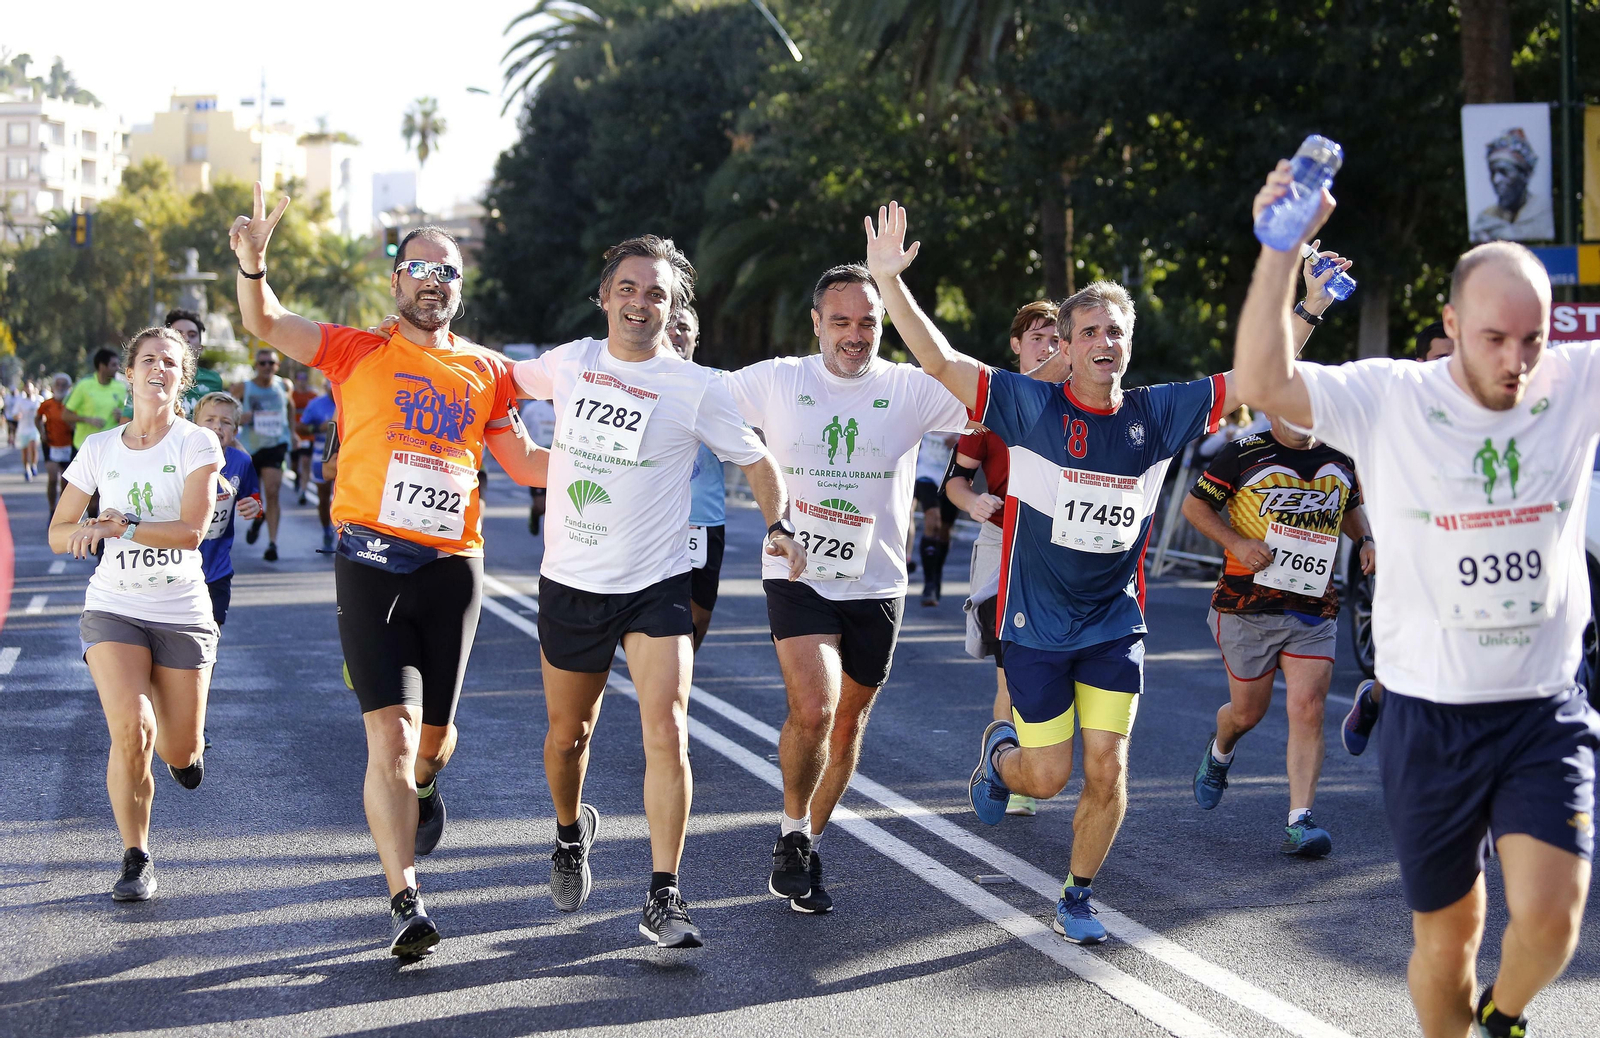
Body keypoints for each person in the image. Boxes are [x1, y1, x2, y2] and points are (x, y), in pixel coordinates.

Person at [1234, 161, 1599, 1038]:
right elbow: (1263, 381)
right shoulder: (1390, 395)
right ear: (1452, 325)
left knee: (1553, 919)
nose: (1515, 361)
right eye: (1494, 339)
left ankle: (1504, 1016)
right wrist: (1280, 249)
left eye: (1533, 339)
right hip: (1432, 716)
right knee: (1451, 937)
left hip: (1542, 707)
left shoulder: (1574, 382)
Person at [864, 201, 1252, 945]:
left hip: (1113, 624)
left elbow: (1257, 377)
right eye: (1089, 332)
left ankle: (1077, 895)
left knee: (1107, 766)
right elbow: (940, 361)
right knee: (1046, 777)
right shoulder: (1029, 405)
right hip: (1036, 624)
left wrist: (1308, 307)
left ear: (1128, 344)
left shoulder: (1157, 415)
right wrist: (889, 282)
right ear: (1066, 348)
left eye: (1116, 332)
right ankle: (998, 758)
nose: (1105, 342)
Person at [230, 184, 548, 958]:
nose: (434, 281)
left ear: (459, 288)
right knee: (393, 737)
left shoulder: (489, 371)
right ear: (396, 280)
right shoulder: (355, 349)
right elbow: (267, 322)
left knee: (431, 743)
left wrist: (620, 459)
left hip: (453, 569)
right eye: (420, 268)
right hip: (370, 561)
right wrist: (253, 266)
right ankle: (405, 899)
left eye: (448, 272)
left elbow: (527, 465)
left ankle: (429, 785)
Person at [515, 235, 803, 948]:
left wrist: (779, 525)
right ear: (605, 296)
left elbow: (757, 460)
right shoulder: (572, 362)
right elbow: (495, 382)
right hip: (573, 581)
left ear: (672, 309)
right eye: (629, 288)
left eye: (657, 294)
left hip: (657, 583)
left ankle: (664, 893)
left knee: (667, 728)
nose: (641, 303)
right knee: (568, 737)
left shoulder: (694, 386)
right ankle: (569, 833)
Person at [724, 262, 970, 915]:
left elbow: (998, 398)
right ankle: (791, 831)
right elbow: (696, 402)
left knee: (848, 721)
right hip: (797, 569)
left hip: (877, 581)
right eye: (840, 322)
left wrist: (1063, 359)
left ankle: (805, 841)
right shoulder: (779, 380)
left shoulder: (911, 388)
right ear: (817, 324)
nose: (854, 335)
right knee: (815, 708)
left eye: (867, 322)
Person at [47, 327, 224, 902]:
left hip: (180, 609)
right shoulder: (100, 448)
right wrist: (84, 532)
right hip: (114, 605)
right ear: (129, 374)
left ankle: (186, 752)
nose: (158, 368)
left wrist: (121, 525)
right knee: (133, 728)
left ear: (182, 377)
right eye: (148, 359)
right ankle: (136, 856)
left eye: (170, 362)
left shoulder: (197, 442)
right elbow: (57, 532)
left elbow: (191, 532)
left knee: (177, 749)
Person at [1183, 406, 1374, 857]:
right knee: (1248, 713)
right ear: (1271, 409)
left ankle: (1300, 820)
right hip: (1248, 606)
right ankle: (1221, 749)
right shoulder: (1242, 453)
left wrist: (1365, 540)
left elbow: (1350, 507)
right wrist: (1237, 542)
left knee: (1309, 707)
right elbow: (1195, 506)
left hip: (1312, 607)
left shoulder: (1340, 457)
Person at [945, 300, 1065, 818]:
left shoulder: (1082, 401)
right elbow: (956, 479)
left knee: (1061, 667)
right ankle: (1010, 774)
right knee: (1010, 668)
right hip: (1004, 544)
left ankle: (1023, 762)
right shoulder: (992, 404)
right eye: (1037, 338)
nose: (1048, 347)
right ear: (1016, 345)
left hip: (1064, 549)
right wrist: (973, 502)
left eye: (1056, 338)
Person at [1341, 317, 1458, 756]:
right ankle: (1374, 700)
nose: (1452, 367)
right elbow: (1362, 479)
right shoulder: (1397, 410)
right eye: (1441, 358)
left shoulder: (1486, 409)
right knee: (1407, 666)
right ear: (1420, 363)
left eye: (1458, 358)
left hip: (1466, 557)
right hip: (1408, 554)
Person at [667, 305, 729, 650]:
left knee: (699, 615)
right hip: (652, 518)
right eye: (671, 326)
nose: (677, 333)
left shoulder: (719, 383)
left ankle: (682, 666)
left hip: (704, 522)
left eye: (684, 328)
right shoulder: (639, 380)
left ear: (696, 337)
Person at [191, 393, 262, 629]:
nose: (217, 427)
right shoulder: (177, 458)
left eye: (226, 422)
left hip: (217, 570)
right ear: (194, 425)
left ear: (235, 431)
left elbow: (254, 498)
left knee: (211, 634)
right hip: (178, 569)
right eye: (209, 420)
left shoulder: (241, 462)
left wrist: (255, 506)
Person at [231, 348, 295, 562]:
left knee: (273, 491)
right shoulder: (244, 387)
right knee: (252, 495)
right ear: (256, 366)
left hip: (275, 444)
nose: (267, 367)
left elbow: (290, 406)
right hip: (250, 447)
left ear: (277, 366)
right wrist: (241, 418)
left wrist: (293, 432)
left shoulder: (284, 385)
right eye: (262, 363)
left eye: (271, 363)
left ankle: (272, 544)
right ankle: (259, 518)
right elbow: (229, 413)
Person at [1470, 128, 1555, 244]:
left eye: (1504, 172)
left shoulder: (1543, 212)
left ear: (1524, 175)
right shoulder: (1485, 220)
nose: (1496, 180)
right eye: (1493, 173)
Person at [912, 432, 960, 605]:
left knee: (945, 530)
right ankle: (929, 583)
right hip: (925, 474)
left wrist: (960, 441)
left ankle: (936, 573)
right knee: (933, 521)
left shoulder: (962, 415)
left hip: (953, 476)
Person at [296, 379, 338, 551]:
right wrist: (317, 429)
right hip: (322, 456)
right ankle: (327, 530)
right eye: (331, 386)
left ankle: (345, 535)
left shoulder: (352, 399)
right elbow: (300, 427)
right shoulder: (316, 404)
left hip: (348, 458)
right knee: (324, 497)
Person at [167, 308, 225, 418]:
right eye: (178, 334)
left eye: (192, 335)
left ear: (200, 347)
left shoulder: (213, 381)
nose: (186, 339)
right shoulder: (155, 378)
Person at [519, 393, 556, 535]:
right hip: (538, 463)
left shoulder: (567, 408)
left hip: (559, 464)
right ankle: (535, 513)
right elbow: (520, 433)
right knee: (541, 506)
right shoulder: (532, 409)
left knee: (557, 507)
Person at [290, 368, 318, 505]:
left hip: (307, 435)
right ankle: (297, 476)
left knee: (306, 461)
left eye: (304, 379)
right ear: (296, 381)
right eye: (300, 379)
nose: (302, 382)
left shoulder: (313, 396)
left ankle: (303, 491)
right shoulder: (291, 395)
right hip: (294, 434)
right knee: (294, 464)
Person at [13, 380, 41, 481]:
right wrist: (17, 416)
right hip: (23, 429)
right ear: (24, 389)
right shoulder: (20, 401)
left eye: (30, 387)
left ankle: (33, 465)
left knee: (33, 447)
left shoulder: (38, 400)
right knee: (25, 452)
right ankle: (26, 469)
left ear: (33, 389)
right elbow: (14, 414)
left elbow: (43, 413)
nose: (28, 389)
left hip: (34, 428)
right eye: (27, 387)